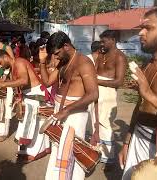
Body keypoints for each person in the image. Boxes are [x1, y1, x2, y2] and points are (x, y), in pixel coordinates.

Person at [119, 6, 157, 179]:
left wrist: (150, 94)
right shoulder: (149, 64)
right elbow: (140, 105)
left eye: (149, 28)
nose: (141, 33)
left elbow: (148, 96)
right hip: (138, 141)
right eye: (141, 28)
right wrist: (127, 141)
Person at [39, 31, 98, 180]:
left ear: (66, 46)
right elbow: (47, 82)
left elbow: (93, 94)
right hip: (62, 111)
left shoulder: (84, 63)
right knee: (59, 153)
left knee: (73, 153)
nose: (56, 57)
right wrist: (41, 62)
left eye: (57, 53)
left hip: (74, 114)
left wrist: (65, 111)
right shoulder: (63, 62)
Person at [0, 49, 51, 162]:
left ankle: (34, 152)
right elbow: (18, 85)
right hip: (28, 97)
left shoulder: (18, 62)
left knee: (30, 125)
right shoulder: (12, 67)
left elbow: (24, 80)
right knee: (31, 125)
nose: (0, 67)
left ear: (5, 57)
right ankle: (30, 151)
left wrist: (3, 83)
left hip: (36, 96)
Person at [95, 30, 127, 164]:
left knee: (106, 123)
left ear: (113, 40)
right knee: (96, 121)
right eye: (101, 41)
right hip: (96, 90)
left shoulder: (120, 57)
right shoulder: (101, 54)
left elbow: (119, 81)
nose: (101, 44)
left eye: (104, 41)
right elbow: (95, 70)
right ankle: (99, 151)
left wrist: (96, 81)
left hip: (108, 93)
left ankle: (108, 157)